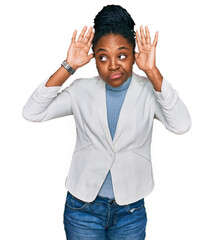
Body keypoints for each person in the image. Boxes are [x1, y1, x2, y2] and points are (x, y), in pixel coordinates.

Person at [22, 4, 191, 240]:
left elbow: (181, 125)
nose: (113, 65)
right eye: (103, 57)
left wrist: (153, 72)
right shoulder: (81, 90)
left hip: (130, 211)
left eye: (122, 55)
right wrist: (68, 66)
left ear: (134, 55)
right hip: (82, 210)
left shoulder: (149, 92)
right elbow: (32, 112)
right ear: (94, 60)